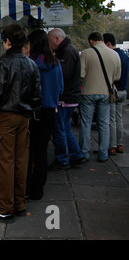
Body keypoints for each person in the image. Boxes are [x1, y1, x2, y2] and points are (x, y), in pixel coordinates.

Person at [0, 23, 41, 223]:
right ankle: (18, 203)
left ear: (7, 41)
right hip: (23, 117)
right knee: (20, 161)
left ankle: (3, 208)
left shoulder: (2, 62)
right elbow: (37, 96)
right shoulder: (31, 63)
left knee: (3, 163)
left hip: (5, 117)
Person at [26, 30, 64, 200]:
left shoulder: (31, 63)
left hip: (33, 111)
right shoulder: (56, 63)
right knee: (42, 151)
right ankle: (38, 190)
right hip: (50, 111)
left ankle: (27, 187)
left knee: (29, 151)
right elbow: (61, 88)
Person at [79, 32, 121, 162]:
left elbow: (81, 73)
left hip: (88, 92)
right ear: (102, 40)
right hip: (106, 92)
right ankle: (103, 153)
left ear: (91, 41)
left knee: (86, 123)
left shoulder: (86, 53)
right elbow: (117, 77)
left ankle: (84, 152)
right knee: (104, 123)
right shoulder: (114, 55)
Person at [47, 28, 86, 170]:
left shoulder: (67, 51)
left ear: (57, 39)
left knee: (59, 129)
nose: (49, 44)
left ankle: (63, 159)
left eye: (50, 41)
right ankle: (76, 155)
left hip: (65, 98)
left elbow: (63, 74)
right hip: (70, 96)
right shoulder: (69, 49)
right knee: (65, 128)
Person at [104, 33, 129, 155]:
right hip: (123, 90)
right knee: (119, 119)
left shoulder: (113, 56)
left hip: (114, 91)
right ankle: (120, 144)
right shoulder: (125, 56)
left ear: (108, 43)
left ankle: (112, 146)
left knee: (111, 120)